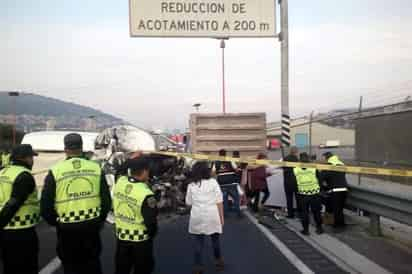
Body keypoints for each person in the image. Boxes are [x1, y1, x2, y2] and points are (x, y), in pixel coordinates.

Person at [41, 133, 112, 274]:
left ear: (65, 148)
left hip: (67, 228)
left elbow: (46, 206)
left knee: (71, 266)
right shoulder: (96, 168)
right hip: (91, 226)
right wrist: (100, 220)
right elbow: (106, 200)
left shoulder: (56, 171)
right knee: (92, 264)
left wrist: (57, 223)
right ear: (81, 147)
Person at [113, 156, 158, 274]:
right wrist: (151, 235)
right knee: (143, 269)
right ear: (144, 172)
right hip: (140, 240)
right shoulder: (146, 193)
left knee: (122, 269)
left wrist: (131, 159)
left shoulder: (120, 182)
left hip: (121, 236)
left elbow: (119, 170)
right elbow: (151, 222)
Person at [0, 144, 40, 274]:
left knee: (9, 266)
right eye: (31, 157)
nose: (33, 160)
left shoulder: (3, 172)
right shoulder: (24, 176)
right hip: (21, 232)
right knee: (27, 267)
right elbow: (13, 204)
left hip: (5, 232)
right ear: (25, 158)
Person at [186, 161, 224, 274]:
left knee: (198, 243)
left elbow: (188, 202)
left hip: (197, 216)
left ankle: (198, 267)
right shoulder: (213, 182)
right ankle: (218, 263)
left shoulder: (191, 185)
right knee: (215, 241)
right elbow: (219, 201)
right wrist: (221, 218)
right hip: (212, 215)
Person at [293, 153, 323, 235]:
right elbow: (320, 180)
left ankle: (306, 230)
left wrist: (297, 191)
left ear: (300, 159)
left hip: (302, 194)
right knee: (316, 212)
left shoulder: (295, 169)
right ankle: (319, 229)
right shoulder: (313, 168)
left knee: (304, 213)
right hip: (315, 193)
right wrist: (319, 189)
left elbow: (294, 182)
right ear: (308, 158)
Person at [320, 152, 348, 231]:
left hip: (335, 190)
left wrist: (322, 186)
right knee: (340, 209)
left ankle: (337, 226)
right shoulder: (341, 164)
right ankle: (342, 224)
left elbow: (322, 177)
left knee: (336, 209)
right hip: (344, 189)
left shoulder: (329, 165)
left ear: (327, 158)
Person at [213, 149, 241, 217]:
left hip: (222, 184)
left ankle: (225, 214)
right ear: (225, 154)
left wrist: (219, 174)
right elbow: (236, 169)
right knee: (236, 198)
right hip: (231, 182)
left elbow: (213, 172)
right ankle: (238, 213)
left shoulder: (216, 162)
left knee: (224, 199)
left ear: (219, 154)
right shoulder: (230, 160)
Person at [283, 146, 300, 218]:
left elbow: (283, 168)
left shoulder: (285, 158)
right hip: (296, 181)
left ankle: (290, 214)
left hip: (287, 181)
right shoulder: (297, 160)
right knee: (298, 198)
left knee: (289, 198)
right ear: (296, 152)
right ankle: (300, 214)